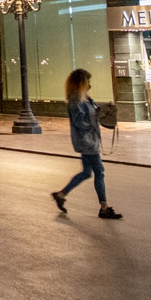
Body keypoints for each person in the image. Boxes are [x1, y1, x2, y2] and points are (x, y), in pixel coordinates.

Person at [51, 68, 122, 219]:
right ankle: (104, 207)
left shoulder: (86, 98)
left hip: (92, 140)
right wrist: (94, 119)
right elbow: (79, 122)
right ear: (81, 83)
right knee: (99, 171)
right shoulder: (75, 101)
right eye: (87, 81)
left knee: (86, 173)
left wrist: (104, 112)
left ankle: (61, 194)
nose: (90, 84)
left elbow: (95, 113)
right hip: (86, 142)